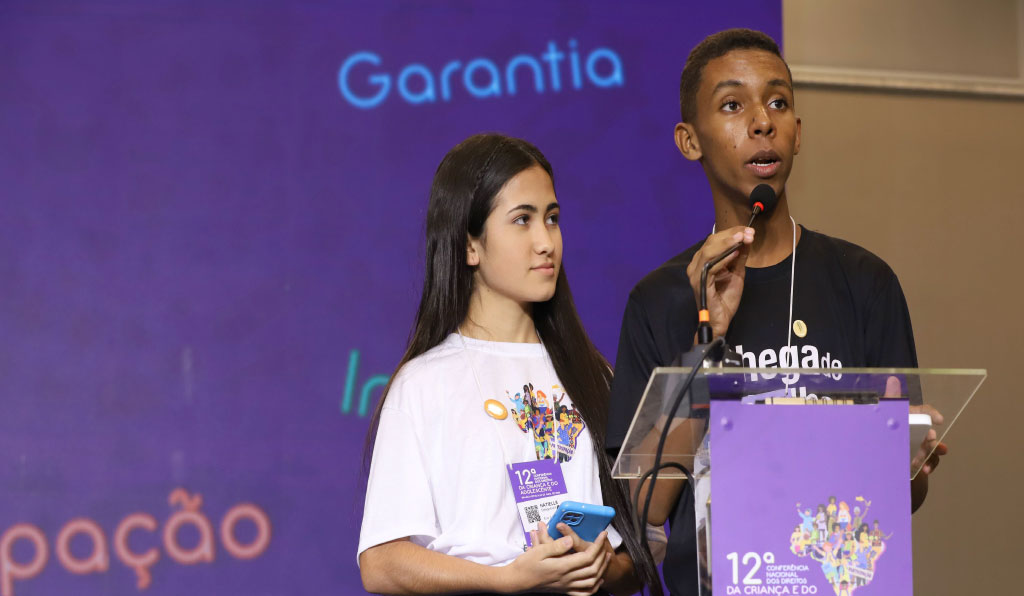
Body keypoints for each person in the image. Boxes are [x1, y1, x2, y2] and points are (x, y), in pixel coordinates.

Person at [604, 28, 945, 595]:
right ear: (689, 141)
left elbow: (906, 495)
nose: (762, 122)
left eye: (778, 102)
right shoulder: (661, 298)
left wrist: (910, 461)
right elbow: (644, 506)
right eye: (733, 105)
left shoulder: (865, 281)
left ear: (798, 133)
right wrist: (704, 343)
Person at [358, 133, 658, 595]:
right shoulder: (422, 383)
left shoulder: (594, 376)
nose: (545, 242)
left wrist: (597, 567)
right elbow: (381, 562)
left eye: (552, 219)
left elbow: (640, 552)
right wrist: (506, 579)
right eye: (522, 220)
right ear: (470, 245)